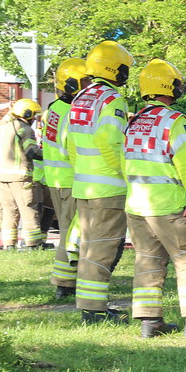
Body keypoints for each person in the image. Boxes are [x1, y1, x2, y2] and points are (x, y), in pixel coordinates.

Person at [124, 59, 186, 338]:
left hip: (136, 205)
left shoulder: (133, 122)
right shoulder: (173, 120)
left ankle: (150, 322)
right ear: (168, 86)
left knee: (148, 260)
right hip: (169, 205)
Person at [63, 41, 135, 324]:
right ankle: (94, 311)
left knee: (90, 247)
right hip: (108, 188)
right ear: (113, 68)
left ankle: (90, 307)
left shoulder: (81, 97)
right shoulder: (112, 100)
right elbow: (110, 142)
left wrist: (80, 169)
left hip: (84, 186)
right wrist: (126, 175)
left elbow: (69, 143)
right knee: (103, 250)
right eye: (123, 68)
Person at [43, 58, 88, 300]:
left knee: (66, 232)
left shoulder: (53, 108)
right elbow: (75, 148)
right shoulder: (73, 112)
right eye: (86, 82)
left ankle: (67, 281)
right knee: (73, 234)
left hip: (56, 179)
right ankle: (65, 283)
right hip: (72, 180)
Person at [0, 98, 45, 250]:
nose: (34, 119)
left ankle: (9, 244)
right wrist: (50, 153)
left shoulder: (4, 127)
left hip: (3, 178)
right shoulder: (25, 129)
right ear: (27, 113)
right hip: (21, 177)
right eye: (34, 115)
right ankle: (34, 244)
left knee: (10, 212)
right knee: (28, 209)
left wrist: (10, 112)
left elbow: (0, 125)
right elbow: (32, 151)